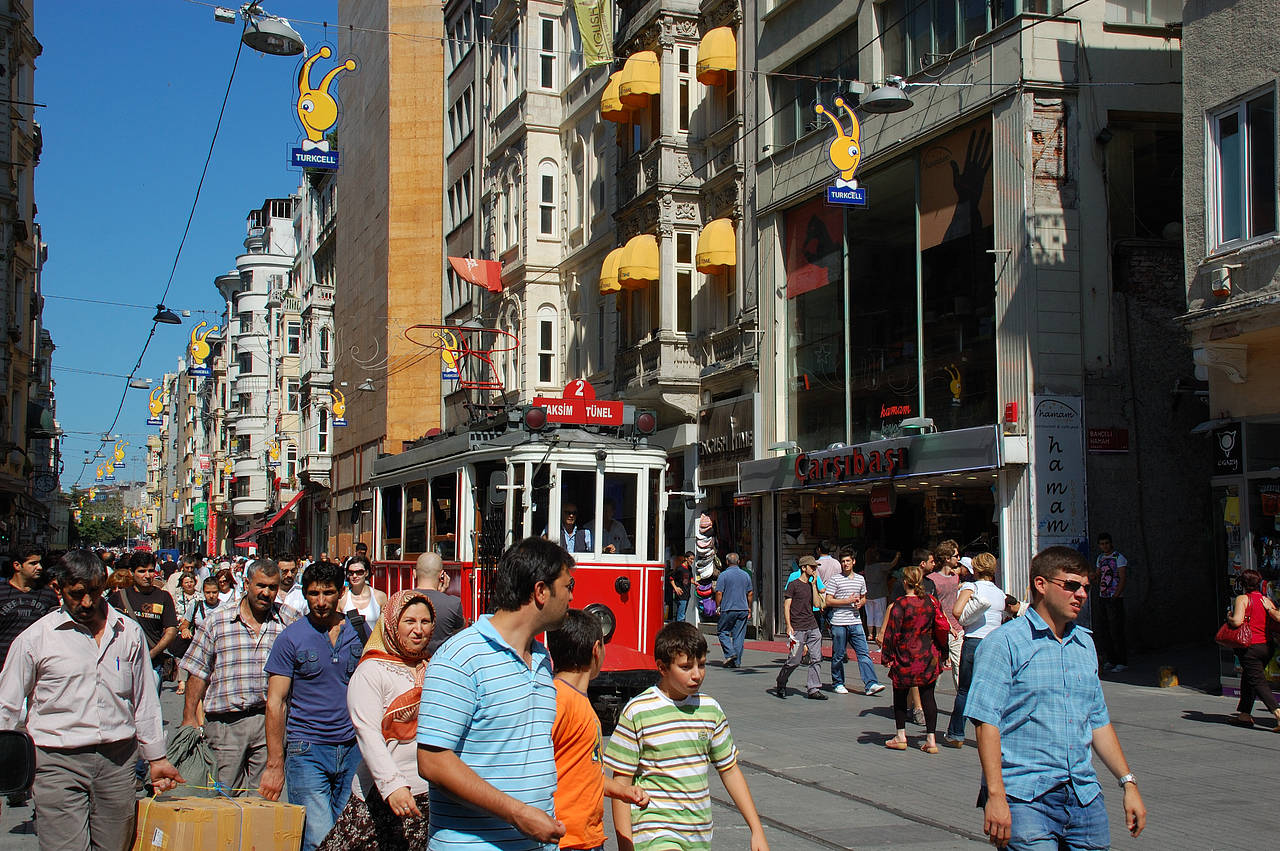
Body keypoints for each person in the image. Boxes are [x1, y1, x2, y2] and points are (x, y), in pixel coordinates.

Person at [0, 550, 183, 850]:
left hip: (117, 762)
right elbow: (6, 706)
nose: (86, 603)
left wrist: (157, 758)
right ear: (58, 589)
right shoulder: (36, 639)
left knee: (114, 845)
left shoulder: (128, 633)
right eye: (77, 594)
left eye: (94, 592)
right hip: (56, 761)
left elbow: (144, 700)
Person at [967, 546, 1147, 849]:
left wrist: (1128, 784)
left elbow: (1098, 721)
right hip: (1025, 797)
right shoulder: (1005, 643)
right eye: (1071, 585)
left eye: (1086, 588)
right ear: (1041, 585)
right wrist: (995, 796)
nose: (1081, 595)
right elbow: (986, 722)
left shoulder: (1085, 645)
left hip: (1083, 796)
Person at [416, 536, 575, 849]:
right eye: (568, 587)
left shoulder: (542, 658)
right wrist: (517, 814)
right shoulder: (461, 657)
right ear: (541, 592)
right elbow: (432, 762)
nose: (572, 598)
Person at [605, 621, 769, 851]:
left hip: (698, 833)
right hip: (654, 830)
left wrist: (757, 830)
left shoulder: (710, 710)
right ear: (662, 668)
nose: (696, 675)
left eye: (701, 665)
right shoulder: (638, 711)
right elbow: (620, 781)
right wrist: (625, 845)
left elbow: (729, 770)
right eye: (686, 667)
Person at [316, 590, 436, 850]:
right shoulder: (372, 671)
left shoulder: (434, 668)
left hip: (427, 797)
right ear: (392, 623)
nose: (418, 630)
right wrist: (392, 785)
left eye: (425, 622)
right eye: (409, 622)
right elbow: (367, 733)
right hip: (381, 796)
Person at [260, 560, 365, 851]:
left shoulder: (360, 630)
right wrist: (274, 763)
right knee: (318, 838)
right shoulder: (290, 638)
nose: (320, 602)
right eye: (314, 594)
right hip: (307, 749)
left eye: (328, 593)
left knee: (350, 835)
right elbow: (276, 702)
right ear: (304, 594)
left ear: (341, 592)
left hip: (354, 748)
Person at [181, 558, 297, 795]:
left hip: (269, 723)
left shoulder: (289, 620)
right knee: (223, 797)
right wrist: (189, 716)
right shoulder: (217, 621)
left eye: (272, 587)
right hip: (226, 725)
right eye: (260, 586)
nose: (266, 593)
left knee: (263, 799)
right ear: (246, 584)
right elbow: (198, 672)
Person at [547, 610, 649, 850]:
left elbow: (584, 773)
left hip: (586, 836)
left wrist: (622, 791)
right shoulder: (560, 701)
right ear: (597, 650)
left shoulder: (576, 701)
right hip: (566, 838)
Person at [944, 552, 1012, 748]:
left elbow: (957, 611)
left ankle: (956, 733)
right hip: (995, 643)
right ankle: (997, 733)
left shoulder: (970, 587)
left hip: (974, 641)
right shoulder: (1000, 593)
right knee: (994, 691)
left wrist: (967, 620)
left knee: (965, 690)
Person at [880, 564, 943, 753]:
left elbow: (892, 633)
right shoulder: (930, 602)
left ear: (905, 582)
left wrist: (886, 656)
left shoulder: (900, 604)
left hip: (905, 655)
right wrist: (943, 652)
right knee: (928, 696)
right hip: (927, 655)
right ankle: (931, 740)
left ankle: (901, 736)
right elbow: (940, 627)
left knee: (900, 695)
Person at [110, 549, 178, 688]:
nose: (147, 575)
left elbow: (171, 631)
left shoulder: (163, 597)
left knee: (149, 708)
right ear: (131, 572)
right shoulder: (119, 597)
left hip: (153, 664)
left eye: (151, 571)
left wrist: (151, 654)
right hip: (123, 663)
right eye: (142, 571)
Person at [825, 547, 884, 696]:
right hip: (839, 622)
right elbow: (829, 600)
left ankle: (871, 683)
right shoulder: (835, 579)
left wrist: (861, 603)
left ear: (853, 562)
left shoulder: (860, 579)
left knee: (863, 653)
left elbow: (864, 597)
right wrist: (847, 600)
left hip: (855, 621)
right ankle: (838, 682)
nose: (845, 564)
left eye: (848, 561)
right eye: (843, 561)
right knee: (838, 654)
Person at [1225, 568, 1280, 729]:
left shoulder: (1242, 598)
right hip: (1267, 646)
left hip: (1250, 647)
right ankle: (1244, 715)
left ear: (1242, 584)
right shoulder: (1266, 600)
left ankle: (1277, 712)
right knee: (1249, 677)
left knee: (1257, 680)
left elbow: (1237, 621)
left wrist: (1229, 616)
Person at [773, 556, 826, 700]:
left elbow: (816, 603)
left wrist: (814, 585)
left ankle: (813, 688)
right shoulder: (793, 585)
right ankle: (781, 682)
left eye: (815, 567)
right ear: (804, 568)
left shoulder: (811, 585)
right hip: (798, 627)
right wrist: (788, 626)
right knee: (794, 660)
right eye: (812, 567)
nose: (814, 570)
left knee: (816, 658)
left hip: (812, 626)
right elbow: (787, 606)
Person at [0, 548, 58, 669]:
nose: (40, 567)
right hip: (4, 662)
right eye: (33, 563)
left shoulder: (48, 595)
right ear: (17, 565)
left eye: (40, 563)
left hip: (35, 663)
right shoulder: (2, 591)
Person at [413, 552, 466, 656]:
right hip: (439, 663)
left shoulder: (399, 599)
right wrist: (441, 595)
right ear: (442, 575)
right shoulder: (453, 604)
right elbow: (460, 628)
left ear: (414, 573)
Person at [929, 540, 964, 689]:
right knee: (934, 669)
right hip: (939, 627)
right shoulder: (932, 580)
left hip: (957, 627)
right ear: (947, 558)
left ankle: (962, 703)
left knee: (959, 667)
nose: (959, 558)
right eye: (956, 555)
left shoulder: (956, 577)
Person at [1093, 533, 1128, 672]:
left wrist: (1116, 594)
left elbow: (1123, 578)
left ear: (1111, 543)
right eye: (1102, 544)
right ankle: (1111, 659)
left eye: (1106, 543)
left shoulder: (1119, 558)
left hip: (1115, 597)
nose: (1104, 546)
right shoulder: (1100, 558)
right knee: (1105, 629)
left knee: (1116, 629)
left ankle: (1122, 661)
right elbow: (1098, 575)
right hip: (1103, 596)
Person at [714, 553, 753, 669]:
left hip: (728, 608)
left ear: (727, 562)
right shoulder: (745, 575)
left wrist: (718, 606)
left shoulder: (723, 575)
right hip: (742, 608)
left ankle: (730, 654)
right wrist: (749, 606)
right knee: (739, 635)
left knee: (722, 632)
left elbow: (719, 592)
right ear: (739, 561)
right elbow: (750, 593)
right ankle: (736, 661)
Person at [172, 572, 201, 695]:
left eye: (191, 582)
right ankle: (182, 681)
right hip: (181, 628)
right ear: (182, 584)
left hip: (196, 629)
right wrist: (182, 626)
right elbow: (173, 613)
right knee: (181, 653)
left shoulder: (200, 597)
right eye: (186, 582)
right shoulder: (176, 597)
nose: (189, 584)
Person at [862, 546, 898, 642]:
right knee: (879, 614)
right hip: (880, 593)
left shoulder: (867, 566)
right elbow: (892, 564)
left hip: (868, 593)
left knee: (869, 614)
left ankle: (870, 634)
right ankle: (877, 634)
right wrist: (897, 556)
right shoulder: (880, 565)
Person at [340, 554, 387, 625]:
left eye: (359, 572)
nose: (354, 576)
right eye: (351, 573)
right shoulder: (342, 598)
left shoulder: (380, 597)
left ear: (366, 573)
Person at [668, 554, 692, 622]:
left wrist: (696, 583)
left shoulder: (689, 568)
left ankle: (677, 629)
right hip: (681, 595)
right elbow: (671, 578)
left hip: (687, 594)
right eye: (691, 559)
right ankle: (679, 631)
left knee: (682, 614)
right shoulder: (680, 568)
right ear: (686, 558)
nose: (692, 561)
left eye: (693, 559)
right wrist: (675, 588)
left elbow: (691, 579)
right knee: (681, 616)